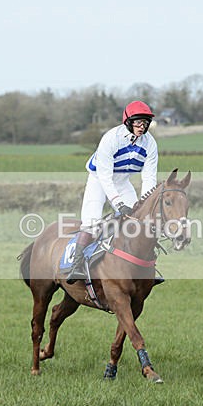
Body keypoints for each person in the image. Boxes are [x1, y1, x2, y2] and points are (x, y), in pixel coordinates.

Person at [66, 100, 159, 283]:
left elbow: (149, 178)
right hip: (99, 180)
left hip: (123, 181)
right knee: (91, 222)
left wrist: (146, 204)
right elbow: (105, 178)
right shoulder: (111, 138)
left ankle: (145, 265)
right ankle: (76, 265)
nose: (142, 127)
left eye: (145, 123)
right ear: (128, 122)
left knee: (139, 220)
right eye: (138, 122)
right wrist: (118, 204)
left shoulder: (150, 143)